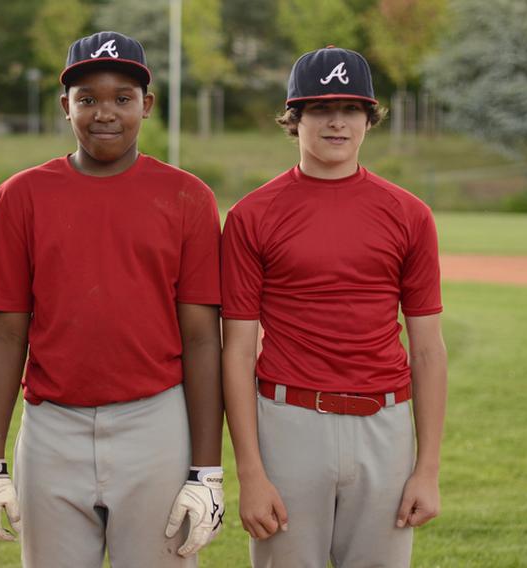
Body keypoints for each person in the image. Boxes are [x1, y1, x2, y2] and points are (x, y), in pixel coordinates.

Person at [0, 31, 224, 568]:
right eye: (87, 99)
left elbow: (203, 339)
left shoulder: (188, 196)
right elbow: (7, 332)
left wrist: (206, 470)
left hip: (155, 421)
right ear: (65, 106)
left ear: (146, 105)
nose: (104, 113)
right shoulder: (21, 196)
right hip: (52, 427)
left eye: (122, 99)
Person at [221, 45, 448, 567]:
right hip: (288, 419)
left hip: (385, 425)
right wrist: (251, 474)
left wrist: (427, 468)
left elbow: (429, 351)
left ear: (368, 119)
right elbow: (236, 350)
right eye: (321, 109)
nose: (337, 122)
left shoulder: (409, 214)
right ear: (294, 118)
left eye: (350, 109)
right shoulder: (252, 215)